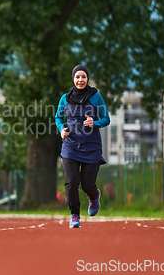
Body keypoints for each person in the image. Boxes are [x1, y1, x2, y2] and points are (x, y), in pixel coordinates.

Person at [54, 65, 110, 228]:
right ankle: (74, 215)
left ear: (87, 79)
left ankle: (94, 197)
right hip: (70, 146)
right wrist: (61, 129)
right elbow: (58, 117)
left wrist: (95, 123)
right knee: (71, 183)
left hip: (91, 147)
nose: (80, 80)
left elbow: (106, 119)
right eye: (77, 77)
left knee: (87, 185)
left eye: (83, 77)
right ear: (73, 79)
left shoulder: (96, 97)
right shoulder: (65, 98)